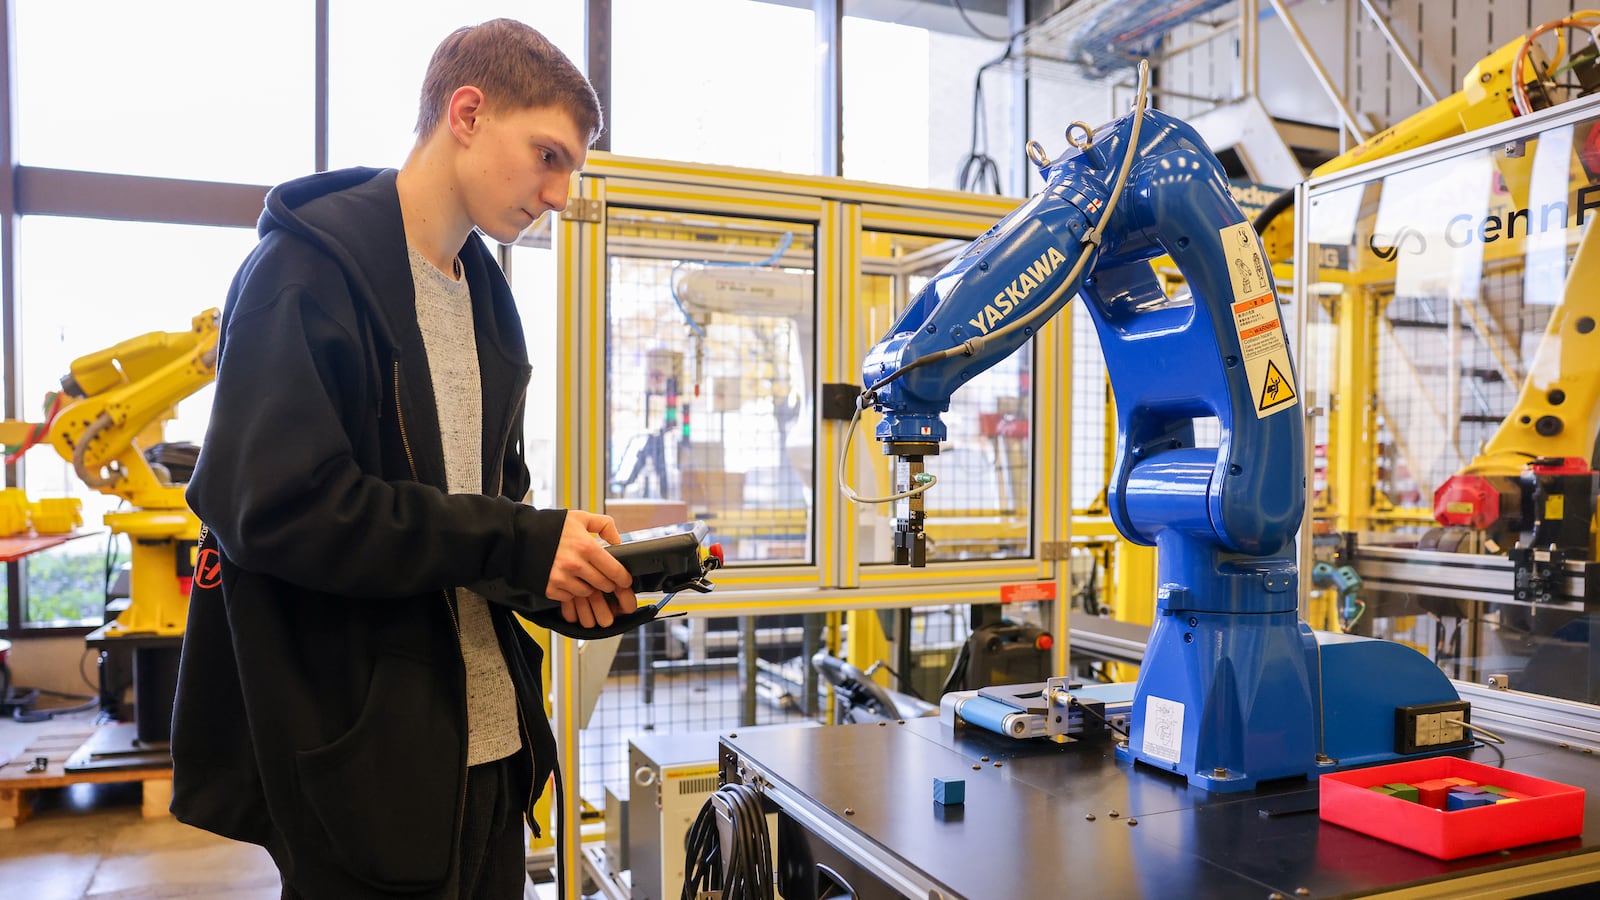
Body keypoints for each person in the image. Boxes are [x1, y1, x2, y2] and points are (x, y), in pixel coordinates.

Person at [171, 19, 642, 900]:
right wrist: (512, 539)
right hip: (364, 771)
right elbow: (281, 507)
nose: (562, 192)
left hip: (493, 758)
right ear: (467, 112)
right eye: (549, 154)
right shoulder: (302, 276)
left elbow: (480, 517)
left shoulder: (490, 302)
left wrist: (561, 575)